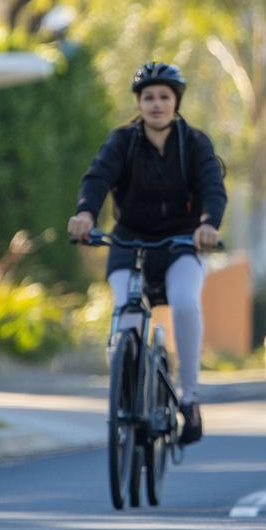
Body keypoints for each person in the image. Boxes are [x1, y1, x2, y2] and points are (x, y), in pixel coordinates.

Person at [67, 60, 226, 444]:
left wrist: (207, 224)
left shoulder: (194, 143)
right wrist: (85, 214)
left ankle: (188, 399)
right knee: (126, 321)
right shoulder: (122, 141)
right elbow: (97, 178)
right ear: (138, 104)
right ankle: (129, 404)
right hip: (129, 242)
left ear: (176, 102)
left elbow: (212, 188)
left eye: (164, 97)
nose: (156, 104)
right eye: (148, 97)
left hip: (181, 244)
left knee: (186, 303)